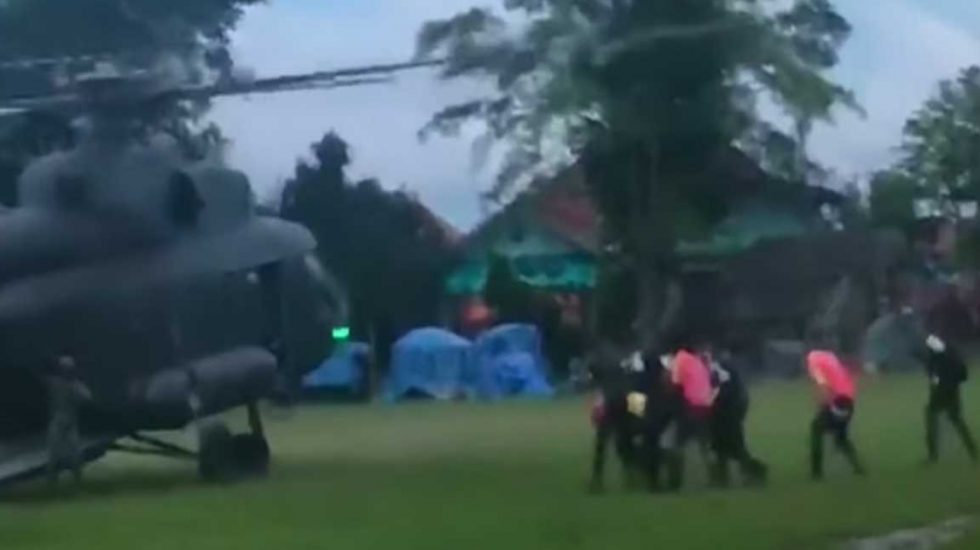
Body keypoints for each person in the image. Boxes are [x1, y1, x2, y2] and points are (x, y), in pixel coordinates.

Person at [705, 346, 768, 487]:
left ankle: (755, 471)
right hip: (727, 409)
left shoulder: (719, 368)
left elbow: (724, 390)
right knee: (720, 445)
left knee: (731, 446)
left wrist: (711, 400)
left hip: (727, 411)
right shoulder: (721, 367)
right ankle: (722, 478)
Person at [806, 348, 865, 480]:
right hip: (848, 401)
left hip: (838, 401)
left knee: (816, 429)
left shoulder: (813, 361)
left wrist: (822, 404)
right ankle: (858, 468)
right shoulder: (831, 357)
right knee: (840, 438)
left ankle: (816, 473)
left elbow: (823, 385)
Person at [663, 338, 714, 491]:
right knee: (704, 444)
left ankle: (674, 483)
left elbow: (676, 385)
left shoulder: (680, 359)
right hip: (705, 406)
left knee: (674, 444)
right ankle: (716, 477)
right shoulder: (696, 360)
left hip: (690, 407)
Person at [921, 334, 978, 464]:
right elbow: (963, 374)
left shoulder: (935, 355)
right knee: (957, 421)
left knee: (931, 418)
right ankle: (973, 450)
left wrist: (935, 381)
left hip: (940, 392)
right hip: (953, 391)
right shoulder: (952, 353)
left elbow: (932, 373)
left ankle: (932, 455)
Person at [45, 355, 93, 488]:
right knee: (60, 451)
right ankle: (57, 478)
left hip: (64, 420)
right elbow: (87, 397)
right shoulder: (65, 384)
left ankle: (70, 478)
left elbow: (87, 397)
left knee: (69, 451)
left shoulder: (63, 384)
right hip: (64, 420)